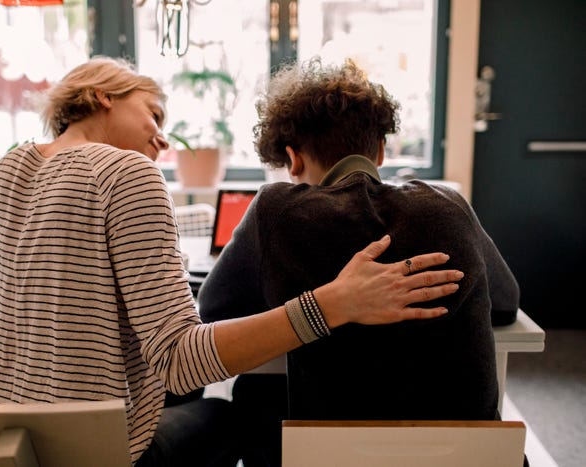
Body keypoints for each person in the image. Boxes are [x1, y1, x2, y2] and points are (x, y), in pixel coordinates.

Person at [0, 56, 463, 466]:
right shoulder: (126, 171)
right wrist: (332, 303)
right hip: (92, 454)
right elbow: (182, 362)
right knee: (236, 414)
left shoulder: (6, 167)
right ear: (104, 95)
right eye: (154, 115)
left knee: (194, 400)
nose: (161, 140)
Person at [198, 57, 520, 466]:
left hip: (328, 459)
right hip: (466, 460)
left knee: (254, 394)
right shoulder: (447, 204)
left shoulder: (276, 210)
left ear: (293, 159)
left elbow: (213, 311)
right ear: (381, 151)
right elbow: (507, 303)